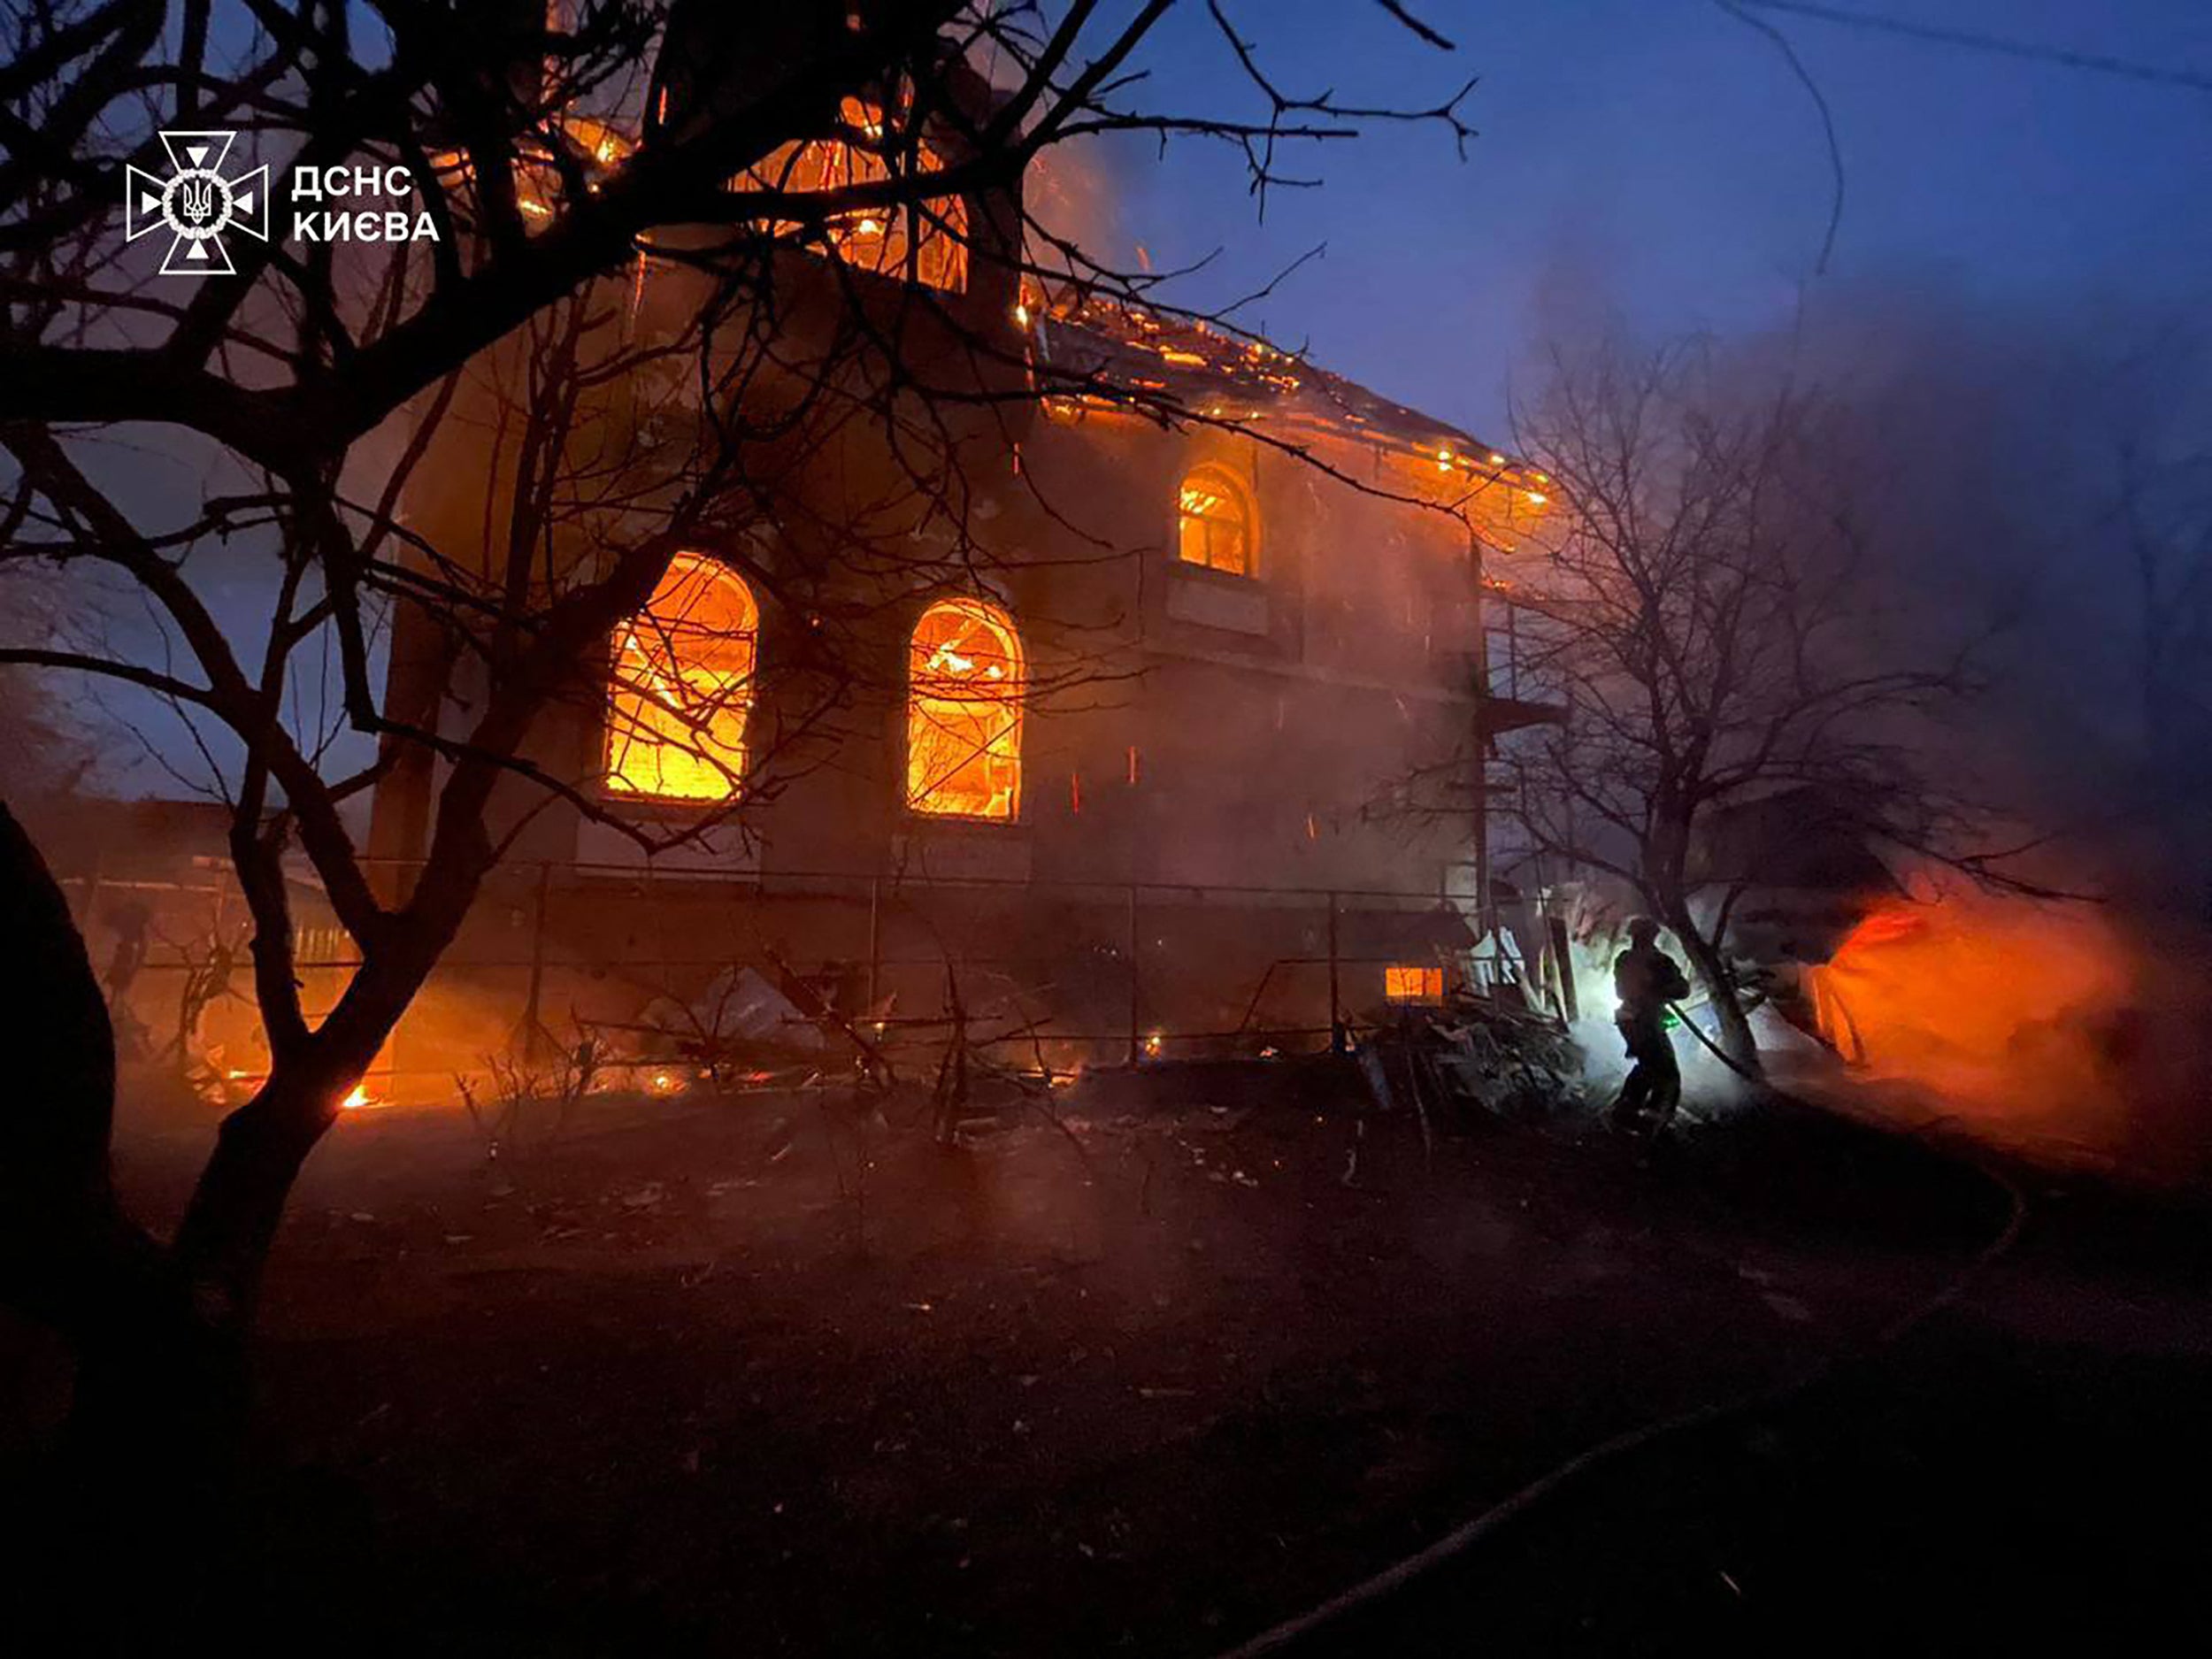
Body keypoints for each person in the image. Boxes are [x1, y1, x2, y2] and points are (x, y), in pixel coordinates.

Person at [1610, 917, 1689, 1133]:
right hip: (1648, 1022)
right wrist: (1662, 990)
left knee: (1647, 1067)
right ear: (1654, 935)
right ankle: (1656, 1118)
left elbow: (1619, 992)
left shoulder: (1624, 959)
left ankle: (1625, 1111)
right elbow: (1683, 990)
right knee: (1668, 1073)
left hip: (1627, 1020)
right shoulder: (1659, 961)